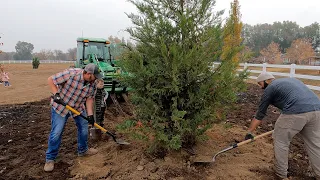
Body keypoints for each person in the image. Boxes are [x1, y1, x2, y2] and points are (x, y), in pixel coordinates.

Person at [245, 72, 320, 180]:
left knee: (280, 140)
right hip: (317, 110)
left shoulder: (270, 88)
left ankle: (280, 174)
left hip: (296, 111)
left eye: (260, 84)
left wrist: (249, 132)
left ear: (265, 81)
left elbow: (260, 115)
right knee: (315, 144)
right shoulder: (291, 81)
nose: (260, 87)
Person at [44, 63, 103, 172]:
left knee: (84, 129)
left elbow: (90, 98)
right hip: (61, 106)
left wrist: (90, 115)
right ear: (89, 74)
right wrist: (56, 93)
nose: (97, 79)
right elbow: (51, 79)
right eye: (95, 76)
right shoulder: (71, 74)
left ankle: (83, 150)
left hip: (77, 107)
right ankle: (50, 158)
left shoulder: (92, 84)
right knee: (56, 132)